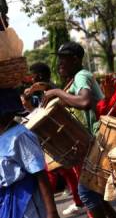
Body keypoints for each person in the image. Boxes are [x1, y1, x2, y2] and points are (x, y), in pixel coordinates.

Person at [44, 42, 116, 218]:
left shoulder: (81, 76)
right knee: (96, 195)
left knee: (86, 192)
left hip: (97, 142)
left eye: (63, 60)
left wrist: (57, 92)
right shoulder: (74, 80)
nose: (59, 64)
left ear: (75, 59)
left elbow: (84, 102)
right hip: (92, 144)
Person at [20, 62, 85, 216]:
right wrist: (27, 104)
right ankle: (79, 200)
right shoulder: (39, 90)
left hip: (57, 136)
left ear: (40, 76)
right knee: (65, 171)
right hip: (52, 136)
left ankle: (78, 201)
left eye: (33, 74)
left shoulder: (47, 88)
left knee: (62, 171)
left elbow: (45, 109)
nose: (31, 78)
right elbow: (36, 112)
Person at [0, 88, 59, 218]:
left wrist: (52, 212)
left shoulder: (20, 135)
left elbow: (40, 173)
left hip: (27, 202)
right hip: (6, 201)